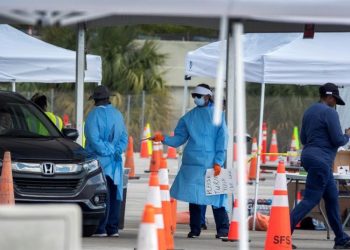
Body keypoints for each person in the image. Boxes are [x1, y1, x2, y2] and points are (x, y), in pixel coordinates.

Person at [152, 83, 229, 239]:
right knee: (195, 198)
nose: (196, 99)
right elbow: (179, 138)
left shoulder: (219, 116)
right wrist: (164, 139)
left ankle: (223, 229)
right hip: (193, 163)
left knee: (218, 197)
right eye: (194, 96)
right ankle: (195, 228)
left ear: (208, 96)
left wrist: (218, 161)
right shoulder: (188, 117)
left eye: (199, 96)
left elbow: (222, 140)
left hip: (213, 162)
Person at [290, 82, 350, 249]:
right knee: (310, 199)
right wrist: (347, 135)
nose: (335, 104)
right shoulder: (330, 113)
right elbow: (338, 140)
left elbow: (303, 139)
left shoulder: (309, 111)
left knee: (331, 199)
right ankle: (282, 233)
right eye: (335, 100)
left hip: (309, 157)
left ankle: (341, 239)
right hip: (321, 161)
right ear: (329, 97)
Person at [85, 85, 128, 237]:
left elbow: (94, 140)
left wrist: (107, 150)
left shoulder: (93, 116)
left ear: (95, 100)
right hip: (115, 162)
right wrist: (116, 150)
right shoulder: (118, 115)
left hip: (99, 162)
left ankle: (101, 228)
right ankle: (113, 228)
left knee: (102, 195)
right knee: (115, 194)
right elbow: (124, 138)